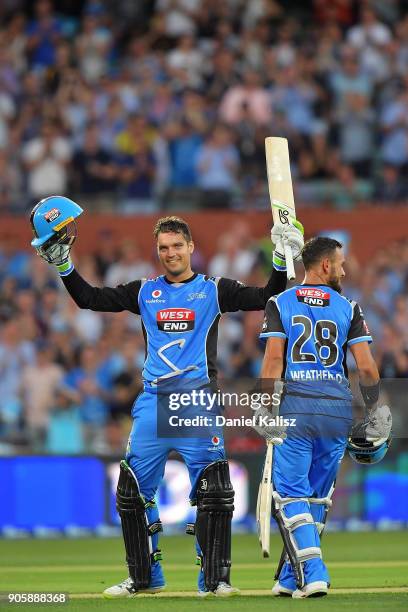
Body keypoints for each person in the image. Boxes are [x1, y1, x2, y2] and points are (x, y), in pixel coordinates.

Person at [29, 195, 304, 598]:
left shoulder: (214, 290)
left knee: (213, 491)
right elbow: (90, 299)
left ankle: (214, 582)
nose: (170, 253)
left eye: (177, 246)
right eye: (163, 248)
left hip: (196, 403)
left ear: (191, 248)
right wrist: (65, 267)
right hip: (154, 402)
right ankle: (144, 579)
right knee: (131, 491)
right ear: (157, 252)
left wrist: (282, 259)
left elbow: (267, 297)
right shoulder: (144, 291)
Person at [257, 237, 391, 598]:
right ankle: (290, 576)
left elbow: (272, 360)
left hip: (297, 407)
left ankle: (314, 571)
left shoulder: (279, 302)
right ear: (325, 266)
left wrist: (264, 404)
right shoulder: (349, 307)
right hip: (336, 409)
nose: (344, 270)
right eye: (341, 263)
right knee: (316, 497)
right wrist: (375, 408)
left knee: (291, 495)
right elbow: (366, 367)